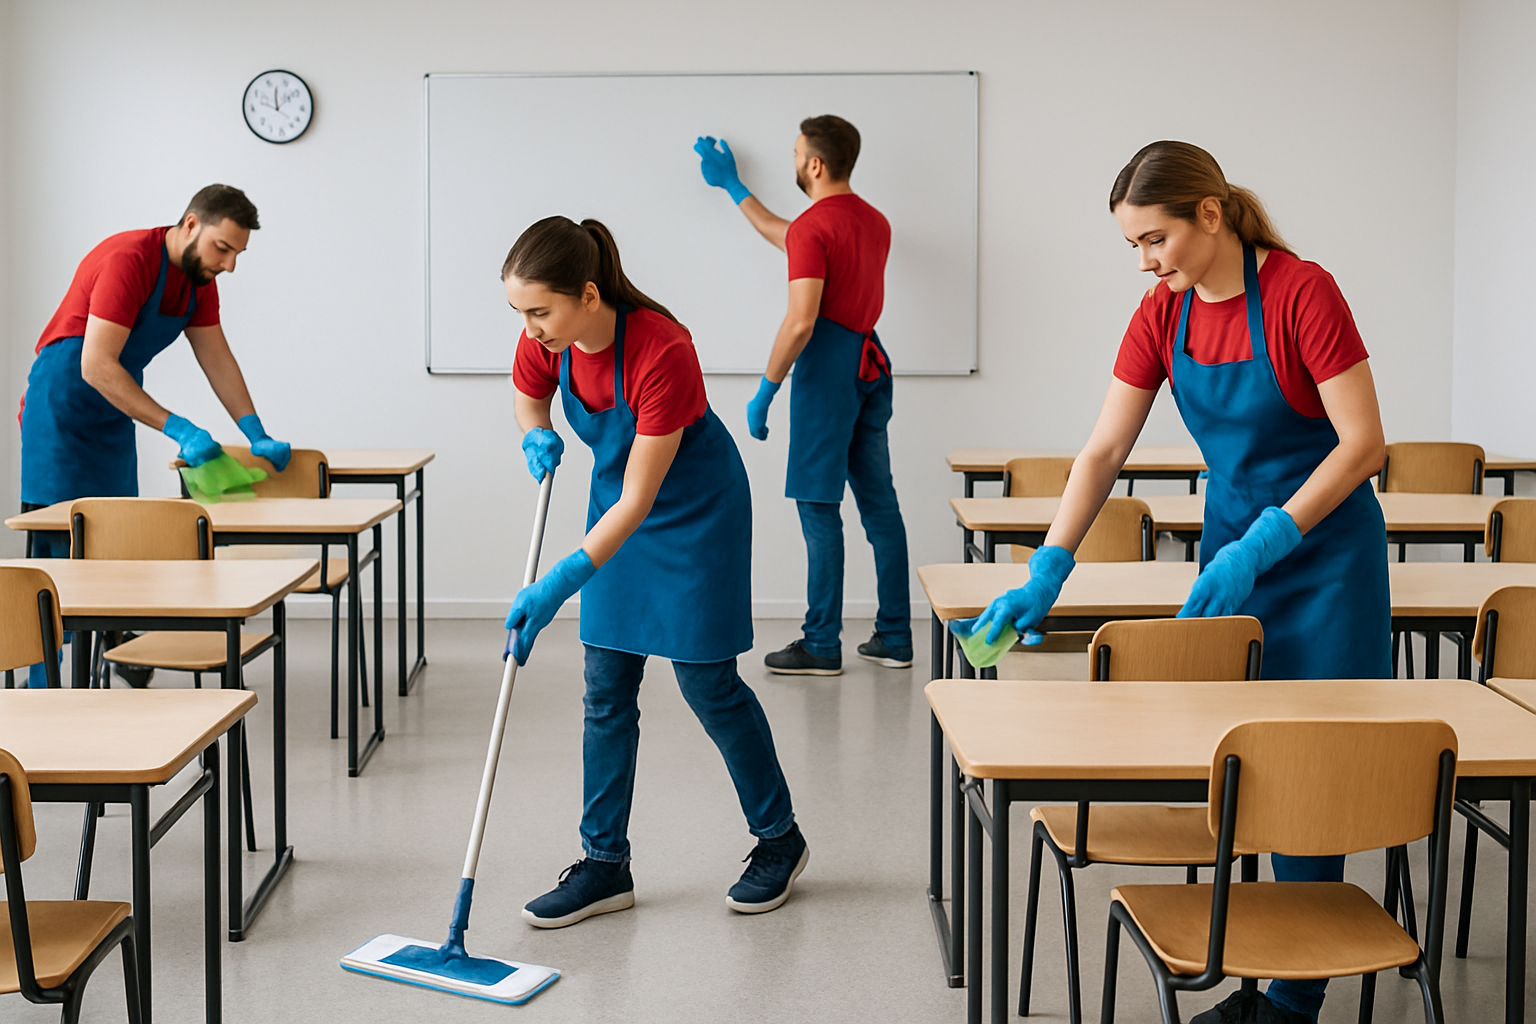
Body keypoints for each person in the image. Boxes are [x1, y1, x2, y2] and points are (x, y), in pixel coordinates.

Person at [967, 141, 1389, 1024]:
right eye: (1134, 247)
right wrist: (1049, 565)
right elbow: (1104, 450)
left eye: (1154, 238)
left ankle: (1292, 994)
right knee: (1237, 759)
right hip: (1237, 547)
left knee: (1305, 767)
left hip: (1326, 560)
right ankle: (1255, 962)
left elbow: (1363, 445)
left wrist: (1265, 543)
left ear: (1210, 213)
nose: (1147, 261)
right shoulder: (1164, 315)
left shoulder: (1303, 293)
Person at [503, 216, 806, 928]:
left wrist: (557, 583)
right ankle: (603, 864)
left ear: (586, 294)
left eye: (539, 311)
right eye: (519, 312)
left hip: (696, 515)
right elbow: (528, 394)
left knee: (709, 684)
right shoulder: (548, 337)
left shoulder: (661, 348)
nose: (529, 328)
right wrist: (535, 432)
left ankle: (779, 839)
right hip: (619, 511)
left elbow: (644, 497)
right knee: (606, 686)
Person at [19, 184, 290, 688]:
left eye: (238, 254)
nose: (229, 265)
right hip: (61, 407)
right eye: (223, 249)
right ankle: (47, 694)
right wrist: (178, 426)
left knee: (114, 539)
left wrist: (254, 429)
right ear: (191, 225)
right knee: (59, 556)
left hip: (113, 410)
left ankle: (109, 656)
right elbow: (96, 364)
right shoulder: (129, 260)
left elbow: (217, 357)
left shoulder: (198, 280)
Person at [693, 115, 912, 676]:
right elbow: (788, 234)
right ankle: (894, 636)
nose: (793, 161)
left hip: (827, 371)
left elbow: (800, 320)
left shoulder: (815, 229)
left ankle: (822, 644)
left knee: (819, 507)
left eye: (795, 153)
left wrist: (767, 388)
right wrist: (734, 188)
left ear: (814, 163)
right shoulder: (875, 223)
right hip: (871, 361)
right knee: (880, 507)